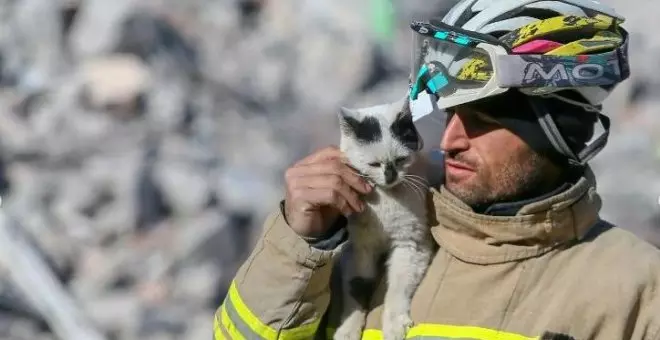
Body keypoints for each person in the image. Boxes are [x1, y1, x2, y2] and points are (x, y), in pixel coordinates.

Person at [214, 0, 660, 339]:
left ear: (556, 131)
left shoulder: (635, 288)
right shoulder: (362, 234)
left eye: (483, 120)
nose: (449, 141)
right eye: (450, 115)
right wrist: (301, 244)